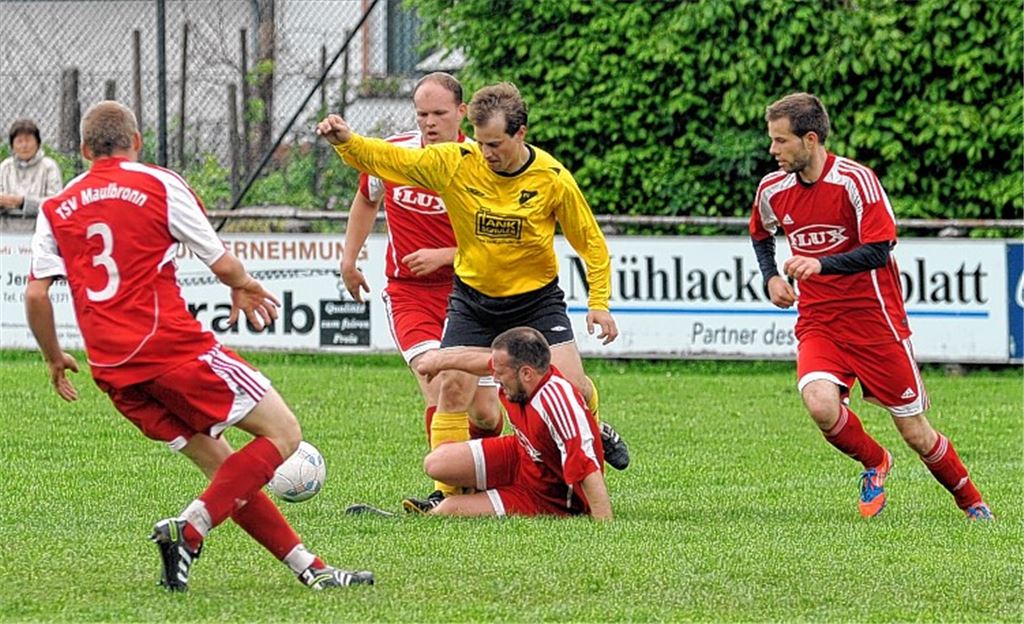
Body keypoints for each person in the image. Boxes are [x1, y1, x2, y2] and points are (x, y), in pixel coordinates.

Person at [25, 100, 374, 593]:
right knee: (284, 433)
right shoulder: (159, 184)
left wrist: (53, 356)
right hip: (171, 350)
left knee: (229, 474)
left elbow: (37, 292)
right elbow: (220, 260)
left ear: (83, 150)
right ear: (138, 142)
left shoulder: (57, 206)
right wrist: (244, 284)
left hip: (114, 371)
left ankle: (310, 569)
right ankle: (189, 528)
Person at [319, 81, 630, 514]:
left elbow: (591, 244)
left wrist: (600, 301)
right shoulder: (455, 162)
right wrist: (348, 143)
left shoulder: (553, 179)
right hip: (473, 300)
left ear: (521, 133)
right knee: (451, 387)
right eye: (481, 143)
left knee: (572, 389)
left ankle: (595, 433)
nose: (486, 153)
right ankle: (447, 498)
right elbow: (389, 159)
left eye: (496, 144)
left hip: (535, 301)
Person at [749, 92, 992, 521]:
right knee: (821, 404)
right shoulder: (773, 188)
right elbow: (760, 234)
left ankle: (971, 501)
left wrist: (818, 263)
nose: (773, 150)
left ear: (810, 139)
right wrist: (770, 275)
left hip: (875, 323)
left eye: (780, 141)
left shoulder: (856, 181)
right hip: (819, 322)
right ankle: (875, 462)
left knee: (916, 432)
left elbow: (879, 250)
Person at [338, 73, 503, 504]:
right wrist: (349, 259)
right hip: (410, 293)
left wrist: (445, 255)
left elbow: (496, 238)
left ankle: (486, 476)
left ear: (462, 113)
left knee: (485, 413)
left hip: (469, 294)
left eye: (439, 113)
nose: (429, 122)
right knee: (441, 382)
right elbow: (367, 200)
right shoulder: (395, 153)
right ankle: (447, 493)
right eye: (422, 113)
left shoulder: (481, 162)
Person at [414, 326, 612, 520]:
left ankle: (483, 495)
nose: (494, 376)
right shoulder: (521, 376)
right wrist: (439, 361)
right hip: (521, 457)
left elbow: (587, 467)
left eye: (499, 372)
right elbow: (482, 363)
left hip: (549, 495)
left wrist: (603, 524)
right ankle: (484, 488)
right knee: (436, 464)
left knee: (448, 509)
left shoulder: (556, 401)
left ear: (526, 373)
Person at [0, 118, 63, 217]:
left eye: (28, 140)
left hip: (40, 226)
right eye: (19, 141)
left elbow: (55, 203)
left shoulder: (49, 166)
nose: (24, 145)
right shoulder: (5, 167)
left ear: (38, 143)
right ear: (12, 145)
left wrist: (23, 202)